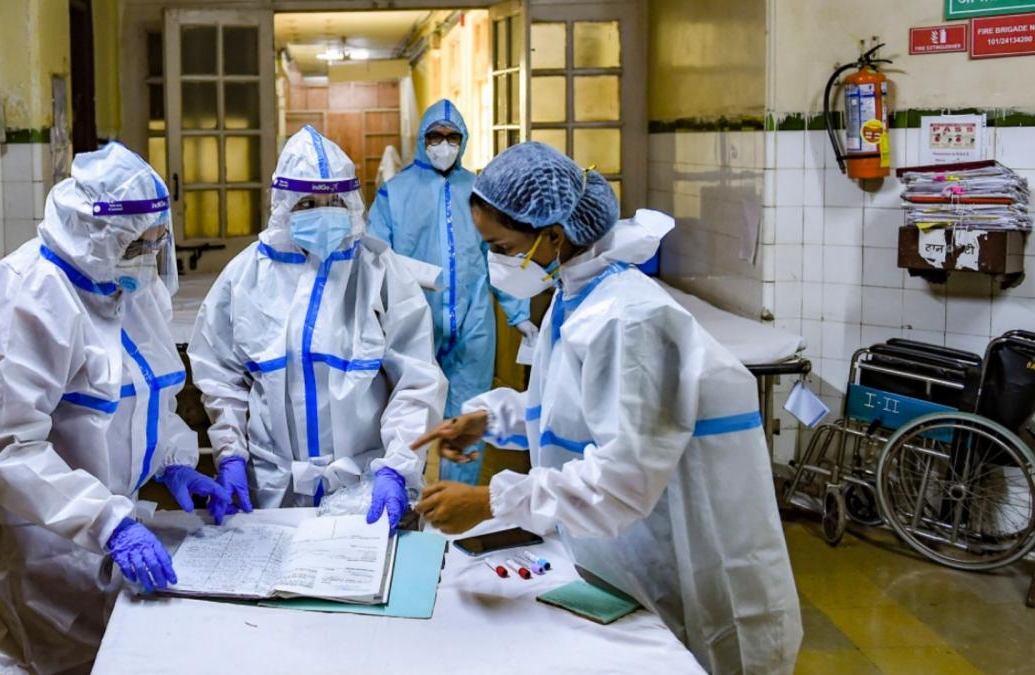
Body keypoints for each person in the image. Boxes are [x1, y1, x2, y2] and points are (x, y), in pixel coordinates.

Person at [412, 142, 802, 674]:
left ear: (553, 234)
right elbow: (576, 407)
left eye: (501, 246)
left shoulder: (630, 318)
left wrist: (491, 502)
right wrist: (493, 419)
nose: (495, 261)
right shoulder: (577, 294)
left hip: (689, 569)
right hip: (626, 557)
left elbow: (622, 479)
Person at [0, 142, 232, 674]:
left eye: (157, 241)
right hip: (38, 538)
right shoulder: (29, 303)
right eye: (139, 243)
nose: (150, 254)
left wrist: (174, 461)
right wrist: (108, 523)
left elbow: (144, 397)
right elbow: (6, 451)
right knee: (60, 664)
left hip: (101, 530)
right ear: (99, 235)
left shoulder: (123, 289)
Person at [189, 125, 447, 531]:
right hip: (271, 487)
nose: (323, 211)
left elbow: (417, 382)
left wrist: (396, 468)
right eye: (308, 202)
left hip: (364, 486)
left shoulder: (380, 270)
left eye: (334, 201)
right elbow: (219, 376)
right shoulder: (245, 276)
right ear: (284, 206)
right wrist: (231, 454)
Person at [368, 99, 535, 485]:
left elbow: (499, 256)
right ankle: (403, 497)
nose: (444, 144)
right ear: (421, 140)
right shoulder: (395, 193)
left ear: (464, 140)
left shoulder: (480, 190)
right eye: (436, 136)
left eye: (452, 136)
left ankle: (455, 505)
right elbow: (374, 260)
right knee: (407, 414)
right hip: (412, 323)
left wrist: (520, 313)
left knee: (466, 417)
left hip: (473, 323)